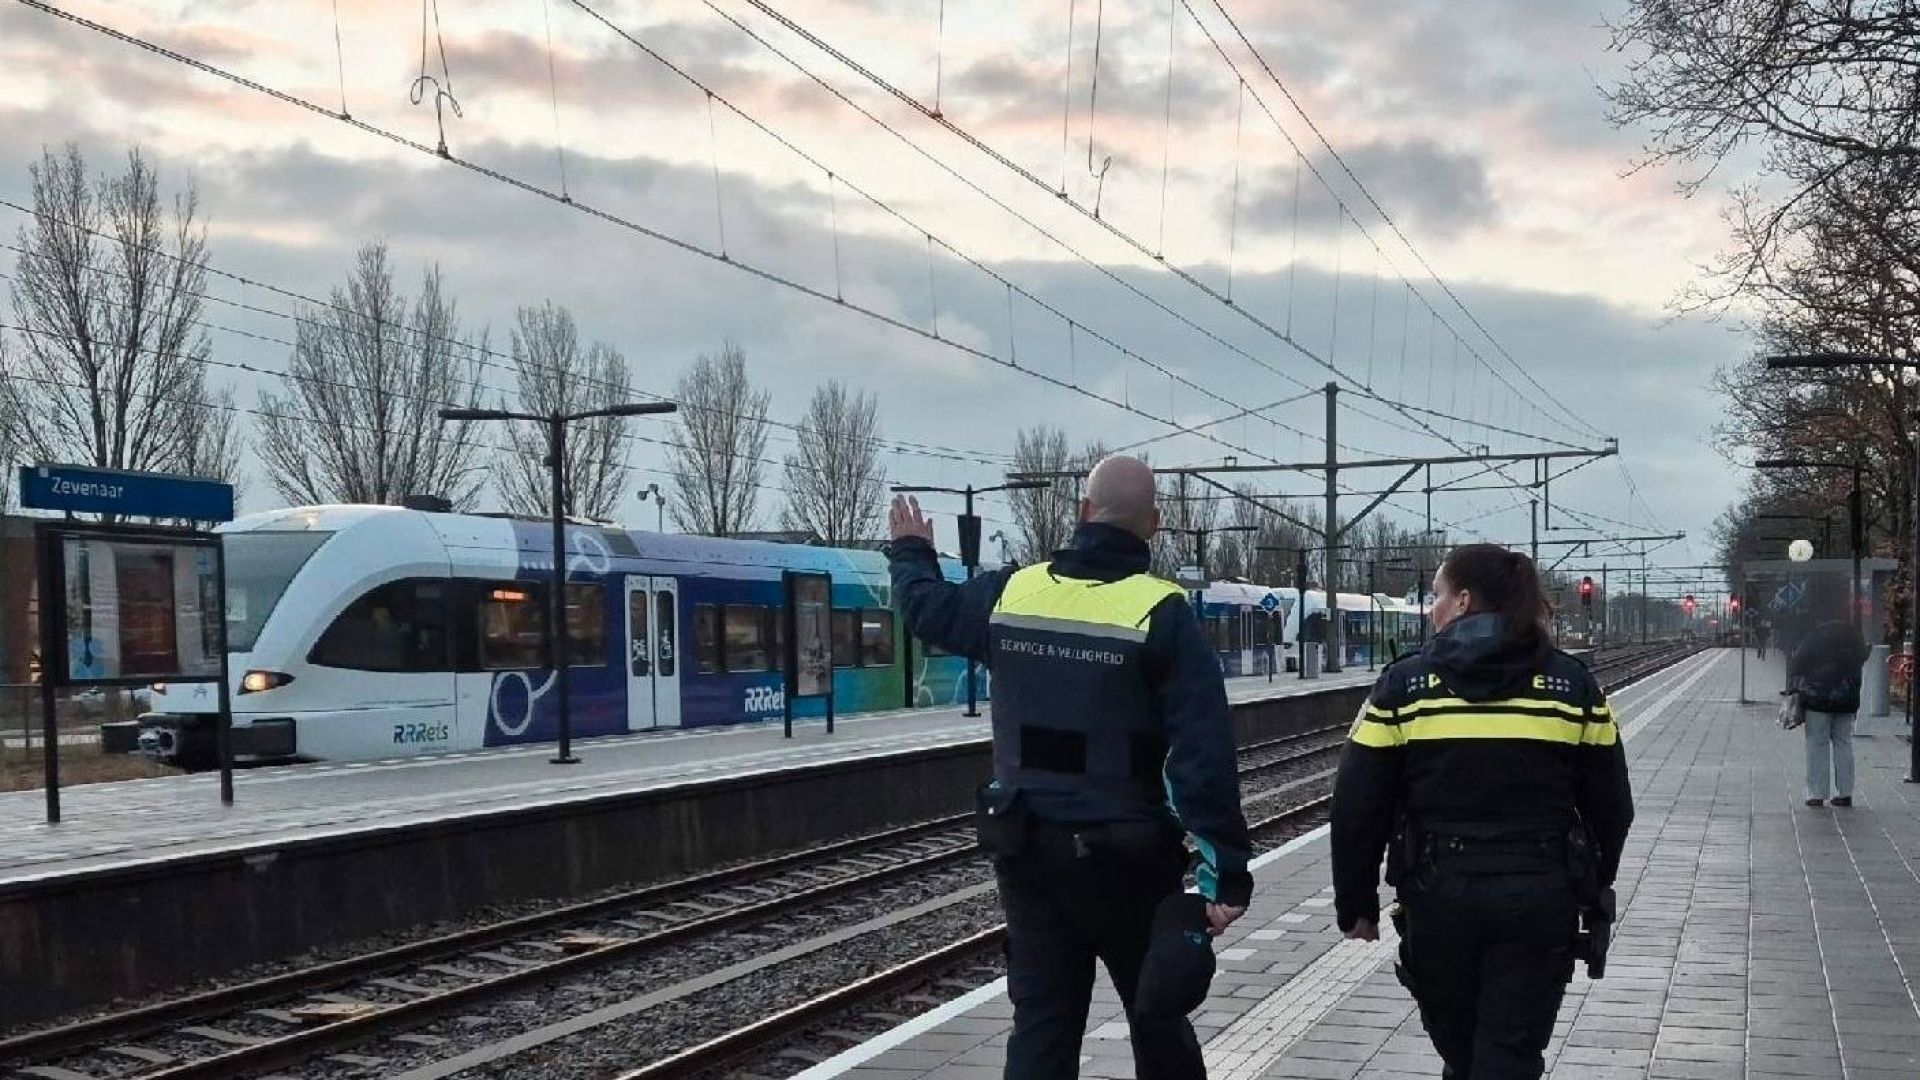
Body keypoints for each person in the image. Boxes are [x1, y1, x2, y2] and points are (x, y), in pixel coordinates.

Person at [887, 454, 1252, 1080]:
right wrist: (1227, 874)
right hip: (1130, 861)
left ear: (1082, 513)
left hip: (1029, 853)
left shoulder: (1015, 591)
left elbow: (928, 612)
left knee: (1044, 1023)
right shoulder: (1162, 613)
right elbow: (1203, 758)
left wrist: (913, 553)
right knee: (1156, 1014)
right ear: (1155, 525)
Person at [1331, 544, 1634, 1080]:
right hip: (1540, 895)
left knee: (1461, 1048)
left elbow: (1357, 805)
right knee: (1508, 1049)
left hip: (1437, 895)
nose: (1432, 609)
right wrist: (1592, 885)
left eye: (1437, 595)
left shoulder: (1404, 687)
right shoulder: (1573, 687)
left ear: (1463, 601)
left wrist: (1356, 904)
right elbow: (1612, 805)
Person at [1788, 614, 1869, 807]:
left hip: (1818, 700)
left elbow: (1797, 665)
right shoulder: (1854, 638)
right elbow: (1863, 657)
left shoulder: (1815, 637)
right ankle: (1845, 792)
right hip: (1847, 699)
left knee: (1817, 744)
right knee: (1844, 743)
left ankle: (1817, 794)